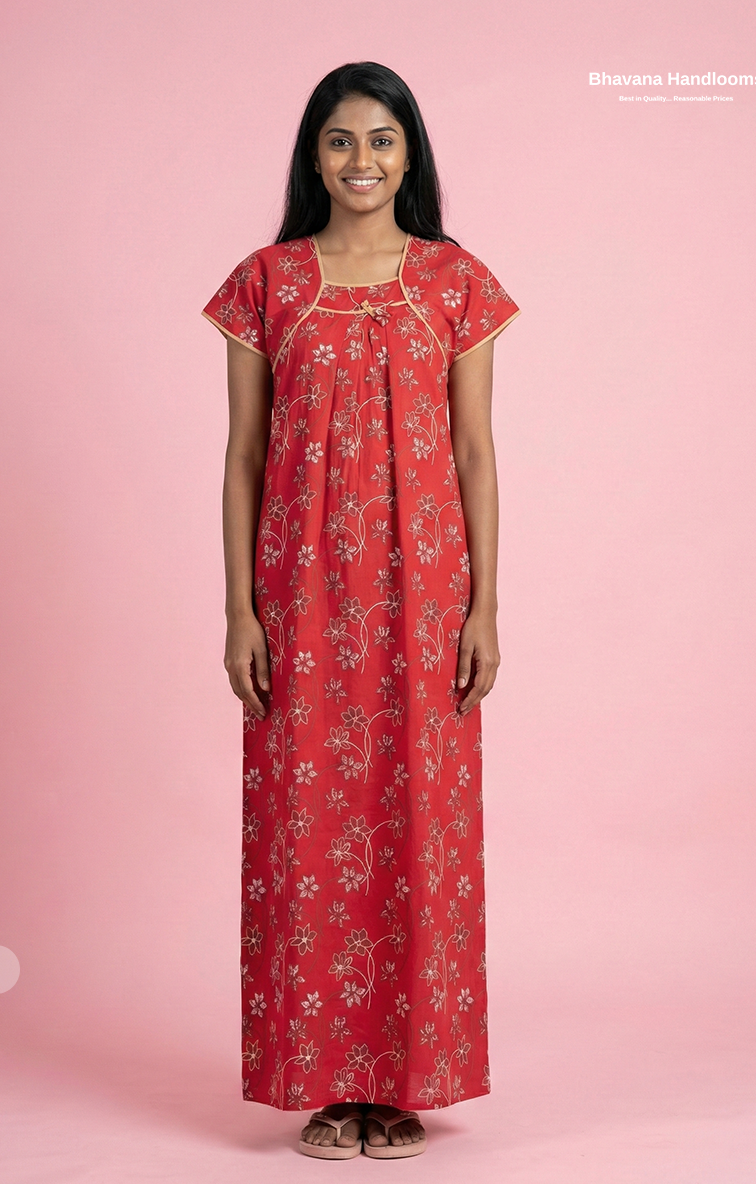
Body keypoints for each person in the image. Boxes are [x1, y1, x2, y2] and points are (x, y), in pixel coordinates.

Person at [203, 61, 520, 1159]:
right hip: (298, 600)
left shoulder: (455, 281)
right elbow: (244, 457)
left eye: (382, 139)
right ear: (313, 155)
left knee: (421, 824)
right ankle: (324, 1083)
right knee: (307, 828)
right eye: (340, 140)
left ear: (410, 153)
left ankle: (405, 1083)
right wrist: (240, 612)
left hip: (425, 600)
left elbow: (474, 452)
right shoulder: (267, 281)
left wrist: (485, 606)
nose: (362, 160)